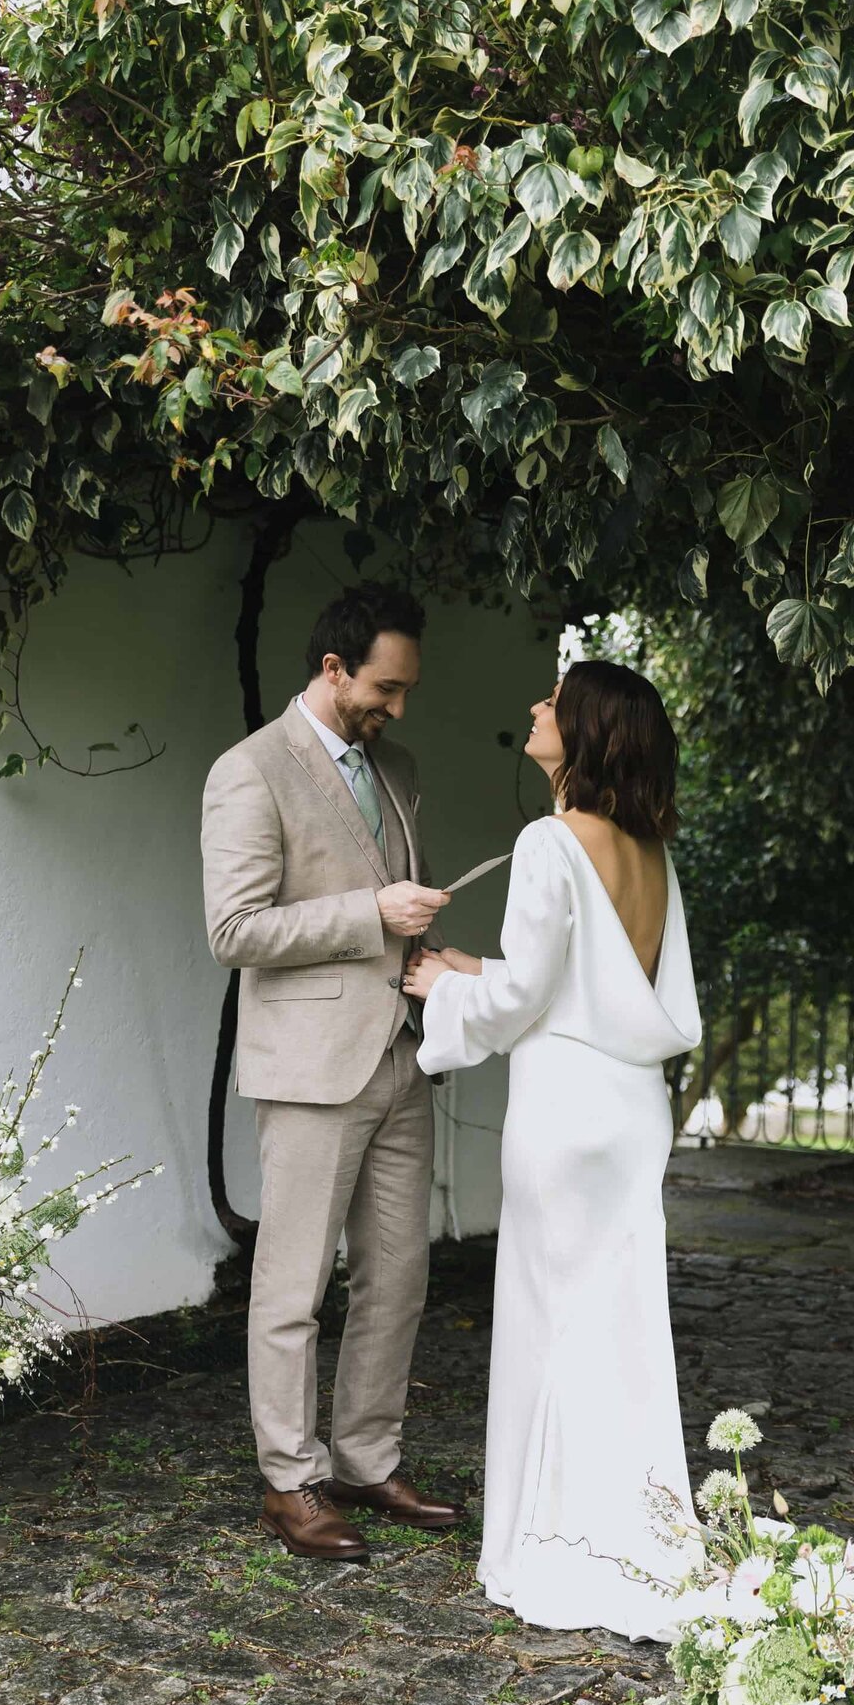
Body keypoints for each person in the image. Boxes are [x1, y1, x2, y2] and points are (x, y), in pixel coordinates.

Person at [403, 660, 702, 1640]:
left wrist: (442, 991)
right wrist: (473, 968)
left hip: (566, 1116)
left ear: (585, 731)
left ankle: (551, 1544)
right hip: (630, 1112)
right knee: (617, 1326)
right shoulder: (648, 851)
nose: (535, 707)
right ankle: (633, 1526)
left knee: (546, 1321)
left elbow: (526, 1001)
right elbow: (585, 983)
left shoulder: (549, 840)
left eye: (553, 699)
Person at [201, 585, 464, 1560]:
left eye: (404, 691)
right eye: (385, 689)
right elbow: (234, 932)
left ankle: (365, 1459)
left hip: (402, 1054)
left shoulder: (393, 767)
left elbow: (406, 911)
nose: (397, 708)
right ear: (332, 668)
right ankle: (291, 1481)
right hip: (312, 1069)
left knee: (399, 1276)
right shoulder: (250, 771)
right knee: (294, 1285)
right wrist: (370, 914)